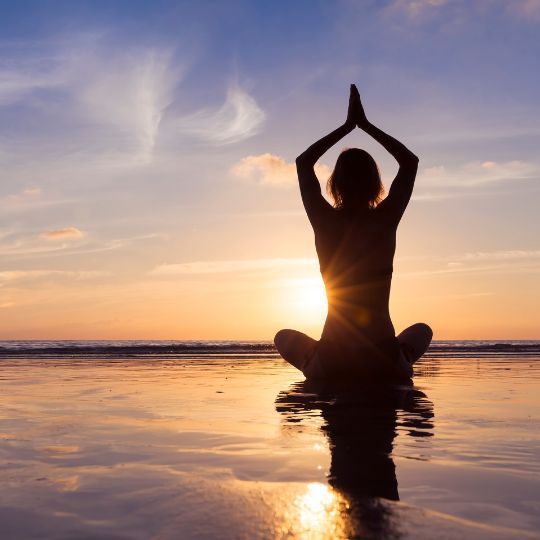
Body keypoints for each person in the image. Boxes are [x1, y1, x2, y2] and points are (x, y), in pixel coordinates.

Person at [274, 84, 432, 380]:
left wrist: (347, 127)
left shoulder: (323, 220)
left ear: (334, 184)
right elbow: (410, 162)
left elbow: (303, 162)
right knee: (422, 330)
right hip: (383, 359)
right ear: (375, 184)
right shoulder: (385, 219)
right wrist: (366, 125)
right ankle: (403, 360)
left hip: (333, 360)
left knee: (283, 336)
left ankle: (313, 363)